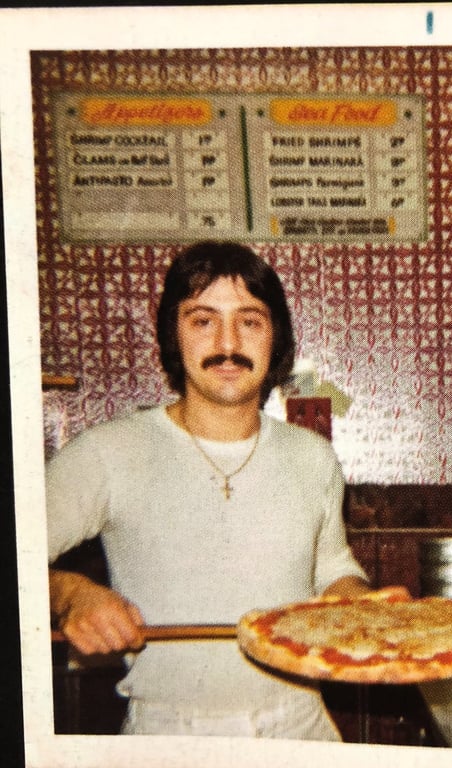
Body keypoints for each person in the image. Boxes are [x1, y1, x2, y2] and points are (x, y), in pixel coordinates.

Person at [46, 241, 373, 739]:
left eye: (250, 321)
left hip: (301, 726)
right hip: (170, 735)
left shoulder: (314, 456)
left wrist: (362, 602)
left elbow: (330, 569)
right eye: (203, 320)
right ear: (173, 335)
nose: (228, 343)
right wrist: (71, 594)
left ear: (275, 338)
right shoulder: (106, 452)